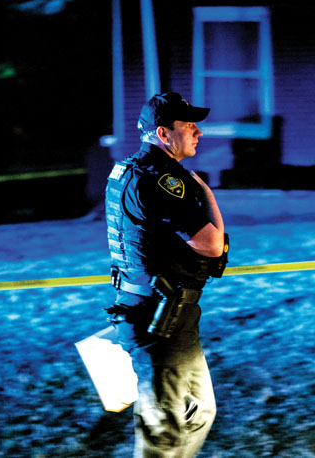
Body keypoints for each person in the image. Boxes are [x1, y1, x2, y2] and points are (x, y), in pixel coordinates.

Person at [104, 91, 227, 457]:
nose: (198, 132)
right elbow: (211, 245)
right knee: (164, 431)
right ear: (163, 133)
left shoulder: (127, 170)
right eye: (188, 125)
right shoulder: (163, 180)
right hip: (159, 321)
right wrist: (206, 193)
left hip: (158, 311)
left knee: (199, 412)